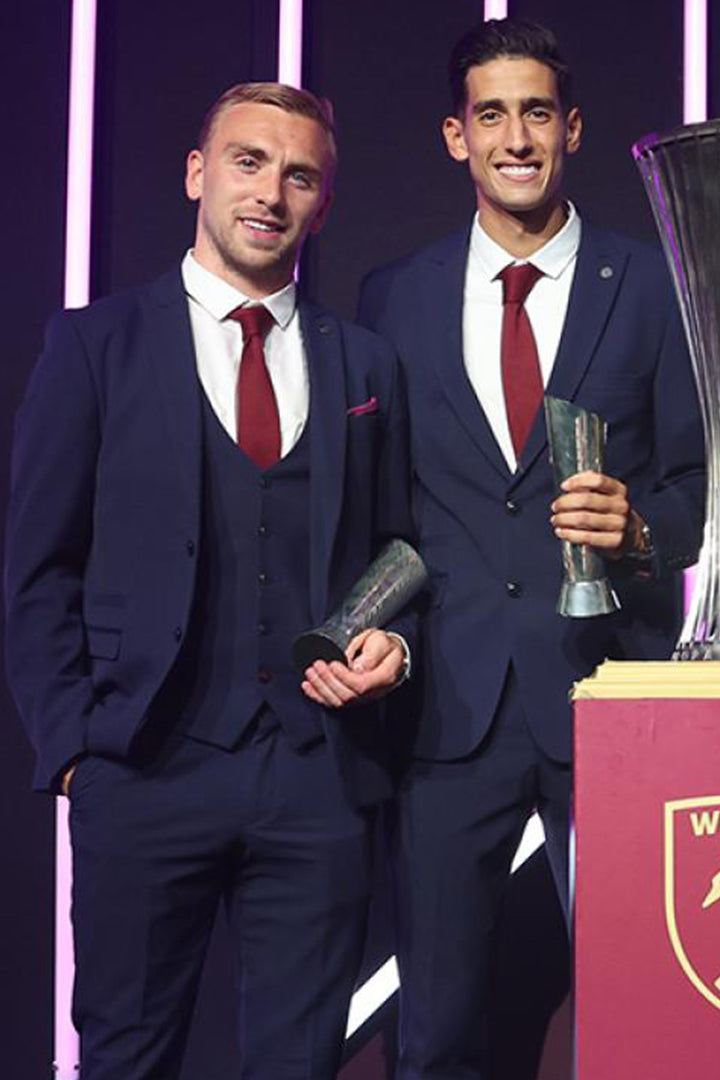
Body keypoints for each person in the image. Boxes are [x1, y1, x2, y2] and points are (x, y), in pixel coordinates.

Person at [5, 82, 414, 1080]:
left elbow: (401, 551)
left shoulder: (364, 364)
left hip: (317, 779)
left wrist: (398, 647)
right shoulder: (94, 345)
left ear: (323, 201)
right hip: (143, 767)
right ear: (198, 173)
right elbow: (36, 568)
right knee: (126, 1059)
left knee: (298, 1064)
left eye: (299, 174)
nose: (270, 191)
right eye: (247, 161)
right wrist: (75, 752)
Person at [358, 18, 705, 1080]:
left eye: (538, 112)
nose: (517, 136)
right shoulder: (393, 297)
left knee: (648, 1020)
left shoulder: (650, 285)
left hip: (613, 705)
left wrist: (645, 532)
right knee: (442, 1035)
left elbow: (702, 491)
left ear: (575, 130)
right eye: (492, 114)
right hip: (450, 716)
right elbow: (382, 514)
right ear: (455, 136)